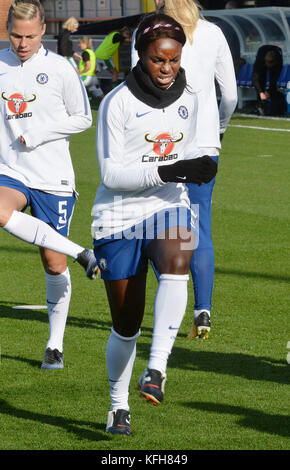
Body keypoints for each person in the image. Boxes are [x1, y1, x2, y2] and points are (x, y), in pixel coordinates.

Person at [92, 12, 217, 435]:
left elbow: (197, 146)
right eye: (157, 60)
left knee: (178, 256)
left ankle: (157, 368)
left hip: (169, 205)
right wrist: (167, 170)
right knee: (126, 324)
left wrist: (200, 164)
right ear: (140, 55)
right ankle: (117, 405)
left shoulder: (192, 95)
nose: (167, 69)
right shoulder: (117, 102)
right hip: (119, 217)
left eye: (174, 60)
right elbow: (111, 176)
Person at [0, 0, 98, 370]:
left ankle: (55, 344)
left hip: (53, 177)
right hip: (11, 170)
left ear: (42, 32)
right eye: (15, 35)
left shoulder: (60, 69)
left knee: (53, 264)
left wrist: (39, 133)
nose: (22, 43)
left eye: (29, 36)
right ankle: (81, 252)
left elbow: (83, 118)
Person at [132, 0, 237, 340]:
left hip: (160, 144)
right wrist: (218, 129)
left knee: (157, 226)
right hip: (205, 145)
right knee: (201, 226)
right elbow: (231, 95)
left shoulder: (147, 33)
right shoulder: (214, 33)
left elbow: (138, 88)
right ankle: (202, 311)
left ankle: (171, 304)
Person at [252, 45, 283, 116]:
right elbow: (255, 77)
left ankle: (273, 108)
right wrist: (260, 92)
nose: (267, 66)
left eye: (269, 65)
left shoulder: (278, 62)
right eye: (267, 64)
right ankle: (260, 105)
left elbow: (274, 79)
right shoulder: (260, 59)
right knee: (261, 79)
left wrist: (268, 91)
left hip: (276, 60)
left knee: (273, 82)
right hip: (262, 53)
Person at [76, 36, 104, 102]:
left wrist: (80, 73)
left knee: (74, 88)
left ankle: (85, 100)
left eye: (79, 43)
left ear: (84, 43)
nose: (78, 45)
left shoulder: (85, 53)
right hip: (93, 78)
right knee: (101, 96)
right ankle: (107, 103)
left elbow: (88, 66)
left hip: (85, 77)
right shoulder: (92, 53)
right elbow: (95, 67)